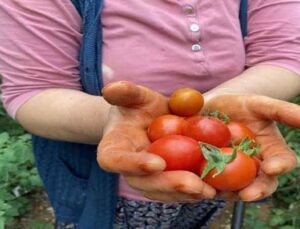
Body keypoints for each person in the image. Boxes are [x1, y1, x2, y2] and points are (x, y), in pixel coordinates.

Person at [0, 0, 300, 228]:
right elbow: (33, 92)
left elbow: (283, 52)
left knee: (196, 212)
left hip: (211, 177)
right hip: (104, 187)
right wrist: (113, 119)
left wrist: (200, 117)